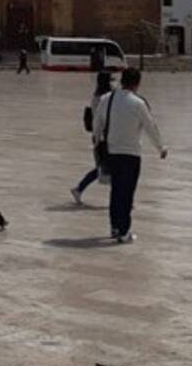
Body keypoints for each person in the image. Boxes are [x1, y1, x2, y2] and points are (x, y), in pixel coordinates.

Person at [91, 67, 166, 243]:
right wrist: (161, 148)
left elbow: (97, 124)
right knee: (127, 194)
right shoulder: (138, 103)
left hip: (111, 152)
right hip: (131, 155)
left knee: (116, 191)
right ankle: (124, 231)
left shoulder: (105, 99)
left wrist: (96, 142)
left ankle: (115, 227)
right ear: (137, 83)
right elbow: (150, 127)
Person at [71, 72, 112, 205]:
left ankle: (79, 189)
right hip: (103, 137)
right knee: (106, 168)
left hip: (101, 136)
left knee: (107, 168)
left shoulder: (98, 97)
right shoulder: (103, 99)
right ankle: (79, 188)